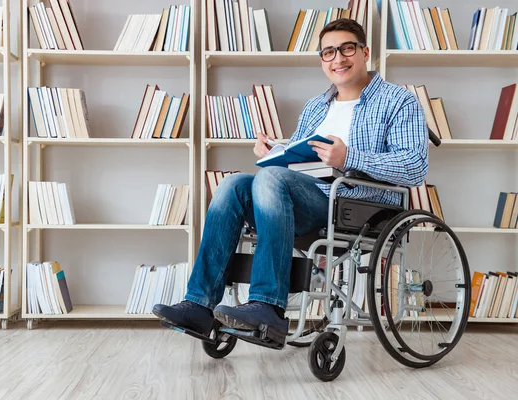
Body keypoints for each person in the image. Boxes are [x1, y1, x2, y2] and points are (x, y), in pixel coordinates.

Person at [152, 18, 428, 342]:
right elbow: (294, 163)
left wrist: (348, 158)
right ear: (322, 60)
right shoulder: (315, 106)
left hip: (355, 205)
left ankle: (267, 307)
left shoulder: (398, 101)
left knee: (270, 179)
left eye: (347, 48)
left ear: (365, 52)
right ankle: (199, 306)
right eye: (328, 52)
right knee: (232, 185)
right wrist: (275, 151)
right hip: (302, 198)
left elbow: (414, 166)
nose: (338, 58)